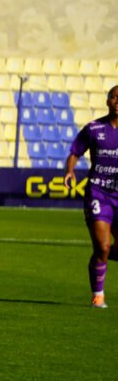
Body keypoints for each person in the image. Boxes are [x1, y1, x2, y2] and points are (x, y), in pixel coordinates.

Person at [63, 84, 118, 308]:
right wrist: (69, 171)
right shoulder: (94, 128)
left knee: (103, 251)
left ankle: (98, 259)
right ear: (107, 101)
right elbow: (75, 152)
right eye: (114, 97)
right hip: (99, 192)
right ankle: (98, 295)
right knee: (104, 246)